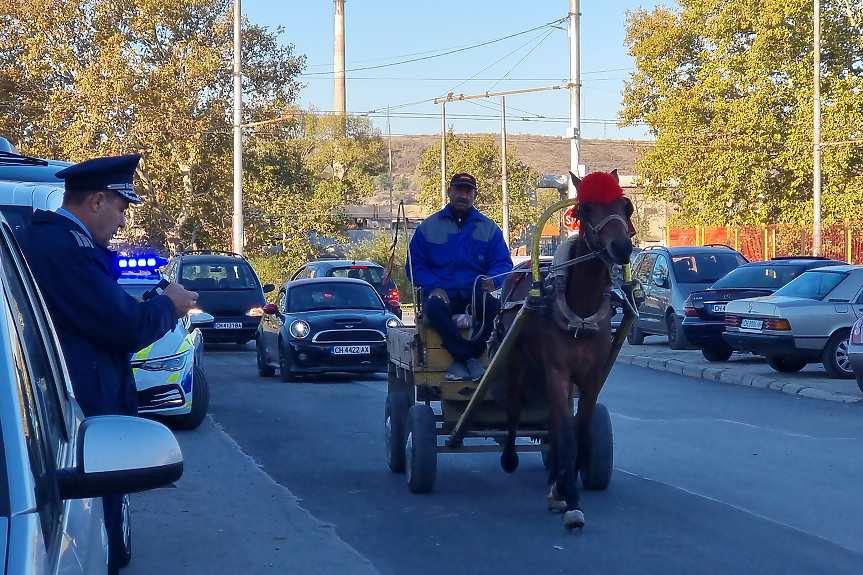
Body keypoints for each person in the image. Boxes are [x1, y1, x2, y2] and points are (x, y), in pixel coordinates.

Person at [16, 153, 198, 575]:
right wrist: (169, 306)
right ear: (96, 201)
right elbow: (123, 325)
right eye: (120, 208)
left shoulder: (59, 244)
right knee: (102, 543)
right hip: (81, 423)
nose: (121, 222)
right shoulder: (66, 250)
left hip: (71, 416)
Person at [407, 173, 513, 381]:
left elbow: (503, 263)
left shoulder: (488, 227)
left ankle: (463, 361)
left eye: (468, 191)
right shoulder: (429, 227)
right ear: (449, 192)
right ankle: (469, 359)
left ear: (474, 195)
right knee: (434, 308)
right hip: (442, 294)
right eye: (458, 190)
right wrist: (434, 286)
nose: (462, 195)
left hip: (475, 294)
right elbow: (414, 265)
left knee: (494, 308)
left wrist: (493, 279)